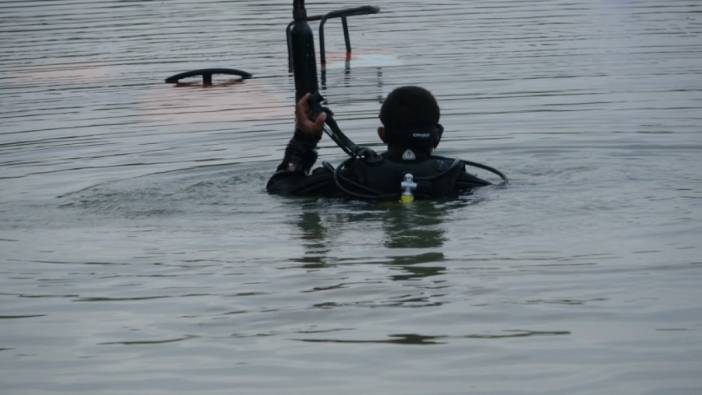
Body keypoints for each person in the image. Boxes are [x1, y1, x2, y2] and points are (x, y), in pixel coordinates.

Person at [266, 86, 491, 199]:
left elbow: (280, 189)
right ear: (438, 135)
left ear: (382, 134)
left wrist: (304, 139)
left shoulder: (352, 178)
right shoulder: (455, 178)